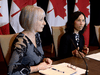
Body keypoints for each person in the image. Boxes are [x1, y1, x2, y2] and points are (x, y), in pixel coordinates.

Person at [8, 5, 52, 75]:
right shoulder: (21, 41)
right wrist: (37, 67)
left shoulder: (37, 35)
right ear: (31, 21)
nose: (45, 23)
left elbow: (39, 56)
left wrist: (44, 60)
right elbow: (12, 71)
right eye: (41, 20)